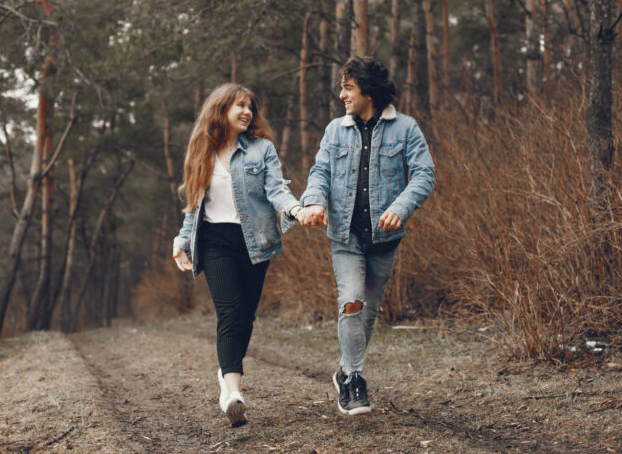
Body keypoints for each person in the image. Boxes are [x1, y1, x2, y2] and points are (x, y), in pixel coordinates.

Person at [297, 57, 435, 415]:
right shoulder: (334, 131)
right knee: (352, 301)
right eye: (342, 87)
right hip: (345, 236)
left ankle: (344, 370)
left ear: (368, 92)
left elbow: (424, 175)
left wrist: (401, 207)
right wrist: (313, 201)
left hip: (385, 240)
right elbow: (320, 172)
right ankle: (356, 380)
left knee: (367, 313)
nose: (341, 95)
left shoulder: (405, 129)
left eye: (348, 88)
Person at [173, 83, 302, 427]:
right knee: (229, 312)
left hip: (255, 241)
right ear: (221, 110)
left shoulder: (262, 149)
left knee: (245, 317)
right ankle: (233, 392)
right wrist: (182, 240)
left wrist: (295, 209)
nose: (247, 112)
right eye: (240, 106)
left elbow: (277, 190)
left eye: (251, 107)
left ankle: (225, 369)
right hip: (215, 241)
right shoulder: (201, 150)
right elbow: (194, 206)